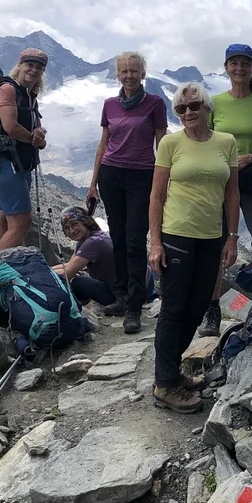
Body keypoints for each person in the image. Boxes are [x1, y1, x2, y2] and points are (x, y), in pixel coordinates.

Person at [148, 82, 240, 413]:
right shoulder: (171, 144)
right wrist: (155, 241)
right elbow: (157, 195)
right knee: (174, 308)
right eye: (181, 109)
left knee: (198, 304)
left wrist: (232, 236)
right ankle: (165, 384)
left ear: (207, 108)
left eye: (194, 106)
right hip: (176, 235)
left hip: (211, 236)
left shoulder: (226, 143)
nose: (188, 113)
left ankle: (169, 374)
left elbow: (232, 193)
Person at [197, 43, 252, 337]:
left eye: (245, 63)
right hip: (221, 182)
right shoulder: (215, 103)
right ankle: (212, 311)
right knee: (216, 248)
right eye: (234, 63)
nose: (239, 68)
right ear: (226, 67)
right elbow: (203, 140)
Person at [86, 51, 167, 334]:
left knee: (135, 239)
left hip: (141, 176)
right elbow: (103, 144)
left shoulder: (155, 103)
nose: (129, 76)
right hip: (111, 174)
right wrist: (93, 182)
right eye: (124, 71)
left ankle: (135, 306)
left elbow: (162, 144)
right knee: (118, 237)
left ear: (143, 73)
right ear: (117, 75)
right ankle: (121, 296)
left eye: (134, 70)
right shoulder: (109, 105)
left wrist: (163, 180)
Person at [0, 48, 47, 256]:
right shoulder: (8, 89)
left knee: (2, 219)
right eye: (30, 65)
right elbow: (10, 126)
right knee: (21, 222)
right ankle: (4, 273)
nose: (34, 70)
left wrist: (38, 131)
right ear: (19, 65)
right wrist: (33, 138)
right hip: (7, 162)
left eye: (39, 67)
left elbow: (33, 124)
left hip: (16, 164)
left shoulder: (29, 96)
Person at [52, 206, 152, 308]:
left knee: (78, 283)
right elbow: (70, 265)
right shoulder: (94, 237)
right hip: (145, 284)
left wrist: (41, 274)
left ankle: (76, 307)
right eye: (67, 228)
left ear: (85, 222)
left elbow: (67, 274)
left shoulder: (92, 243)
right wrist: (47, 270)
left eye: (75, 225)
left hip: (130, 294)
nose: (72, 231)